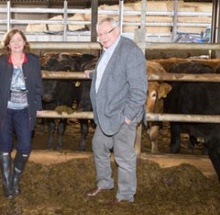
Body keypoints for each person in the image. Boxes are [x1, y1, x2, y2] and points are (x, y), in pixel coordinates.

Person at [84, 17, 147, 204]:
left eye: (106, 32)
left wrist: (127, 117)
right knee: (99, 146)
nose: (103, 37)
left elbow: (139, 90)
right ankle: (105, 183)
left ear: (117, 30)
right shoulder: (109, 49)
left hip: (122, 114)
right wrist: (94, 75)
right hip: (108, 115)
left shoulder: (130, 51)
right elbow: (114, 73)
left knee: (123, 156)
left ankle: (126, 196)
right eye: (100, 34)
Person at [0, 28, 44, 199]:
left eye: (19, 40)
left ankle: (15, 179)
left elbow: (38, 86)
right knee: (5, 144)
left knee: (25, 146)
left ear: (25, 42)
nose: (16, 43)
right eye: (13, 41)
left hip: (25, 110)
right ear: (8, 44)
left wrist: (37, 106)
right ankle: (6, 182)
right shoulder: (0, 62)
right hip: (4, 110)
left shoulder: (33, 61)